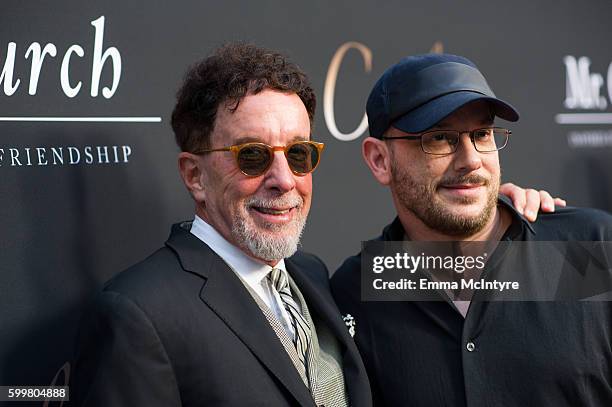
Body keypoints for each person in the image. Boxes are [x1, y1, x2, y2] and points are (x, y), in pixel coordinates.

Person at [72, 43, 561, 406]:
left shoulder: (316, 278)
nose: (284, 180)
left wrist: (496, 216)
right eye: (253, 156)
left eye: (300, 155)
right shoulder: (138, 314)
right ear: (194, 175)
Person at [330, 53, 612, 406]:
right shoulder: (357, 289)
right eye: (439, 138)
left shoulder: (590, 248)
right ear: (379, 160)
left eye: (482, 134)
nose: (471, 160)